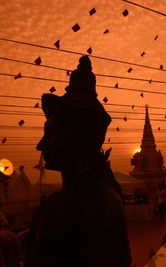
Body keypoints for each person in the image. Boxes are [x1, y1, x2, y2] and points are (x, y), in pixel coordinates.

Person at [25, 55, 131, 267]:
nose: (41, 144)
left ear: (79, 136)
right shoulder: (97, 196)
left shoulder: (88, 204)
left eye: (51, 133)